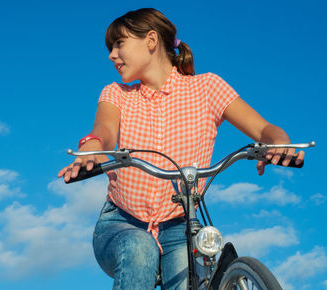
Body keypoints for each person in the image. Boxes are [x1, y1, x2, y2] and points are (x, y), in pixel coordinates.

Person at [56, 8, 304, 290]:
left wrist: (279, 144)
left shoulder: (208, 88)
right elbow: (104, 132)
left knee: (192, 281)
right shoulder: (115, 94)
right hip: (122, 223)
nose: (111, 55)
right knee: (139, 249)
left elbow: (264, 130)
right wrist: (92, 150)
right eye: (111, 47)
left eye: (119, 43)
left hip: (181, 228)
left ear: (150, 40)